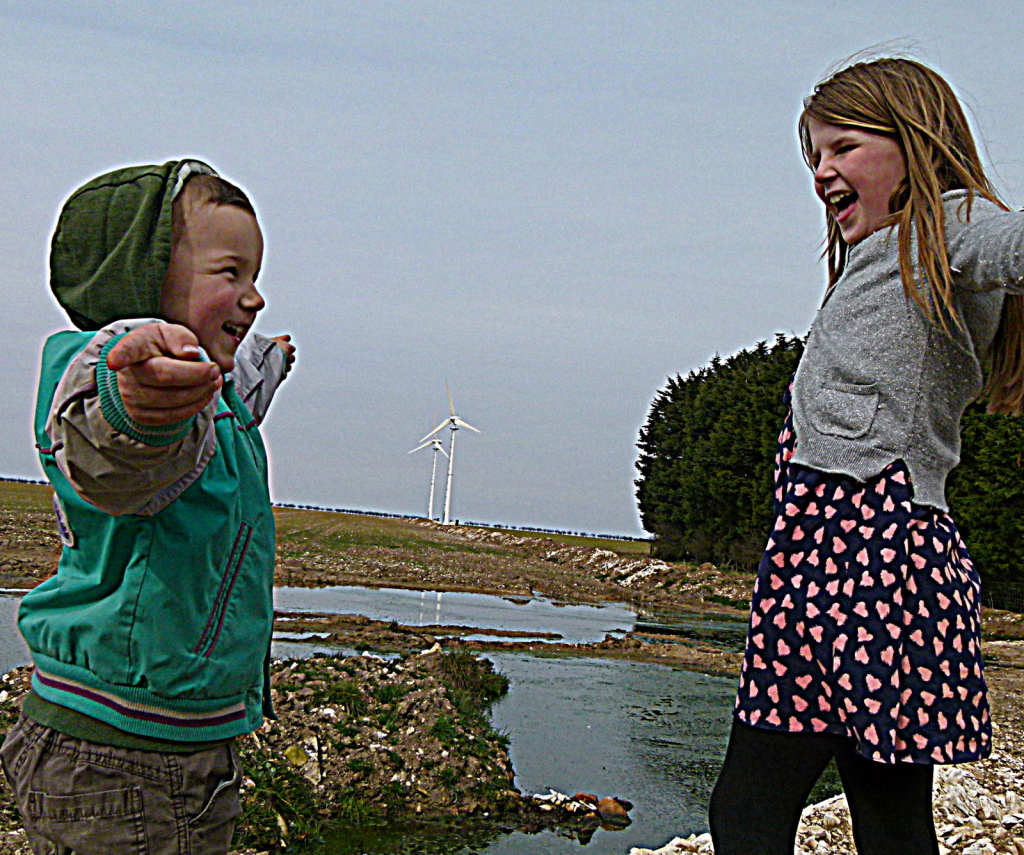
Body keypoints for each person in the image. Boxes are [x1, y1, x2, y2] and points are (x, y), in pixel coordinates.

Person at [708, 57, 1024, 855]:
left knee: (757, 811)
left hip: (875, 546)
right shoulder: (879, 255)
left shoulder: (951, 223)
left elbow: (1010, 244)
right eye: (814, 156)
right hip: (817, 553)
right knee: (877, 817)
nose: (823, 172)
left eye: (843, 147)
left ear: (916, 144)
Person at [0, 159, 296, 855]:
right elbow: (110, 444)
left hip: (172, 741)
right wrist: (133, 402)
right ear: (143, 275)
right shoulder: (121, 386)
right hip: (120, 753)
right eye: (231, 274)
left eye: (256, 277)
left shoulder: (211, 398)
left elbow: (232, 408)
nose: (253, 298)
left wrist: (266, 367)